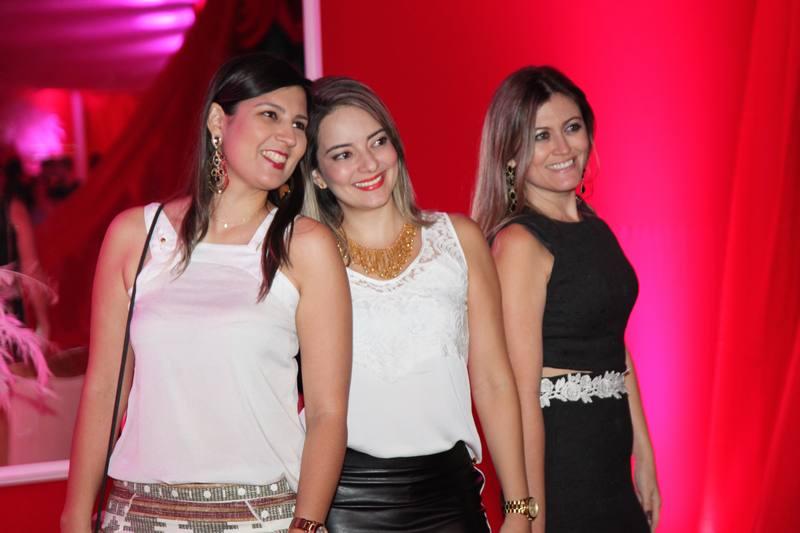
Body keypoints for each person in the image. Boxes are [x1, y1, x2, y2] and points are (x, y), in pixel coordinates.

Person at [61, 53, 352, 533]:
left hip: (263, 517)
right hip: (137, 515)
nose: (288, 136)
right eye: (270, 115)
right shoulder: (135, 235)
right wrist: (75, 515)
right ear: (219, 120)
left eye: (299, 125)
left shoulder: (305, 246)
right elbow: (104, 390)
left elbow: (327, 412)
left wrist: (306, 525)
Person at [302, 77, 536, 533]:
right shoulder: (305, 260)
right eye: (343, 154)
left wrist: (519, 507)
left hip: (451, 497)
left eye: (378, 142)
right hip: (343, 502)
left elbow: (493, 380)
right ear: (317, 175)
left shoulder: (459, 240)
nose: (369, 163)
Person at [472, 66, 661, 532]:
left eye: (571, 128)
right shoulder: (518, 244)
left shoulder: (595, 228)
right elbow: (519, 394)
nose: (563, 148)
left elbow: (615, 346)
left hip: (610, 458)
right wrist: (530, 512)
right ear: (510, 154)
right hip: (562, 459)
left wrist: (645, 456)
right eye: (541, 136)